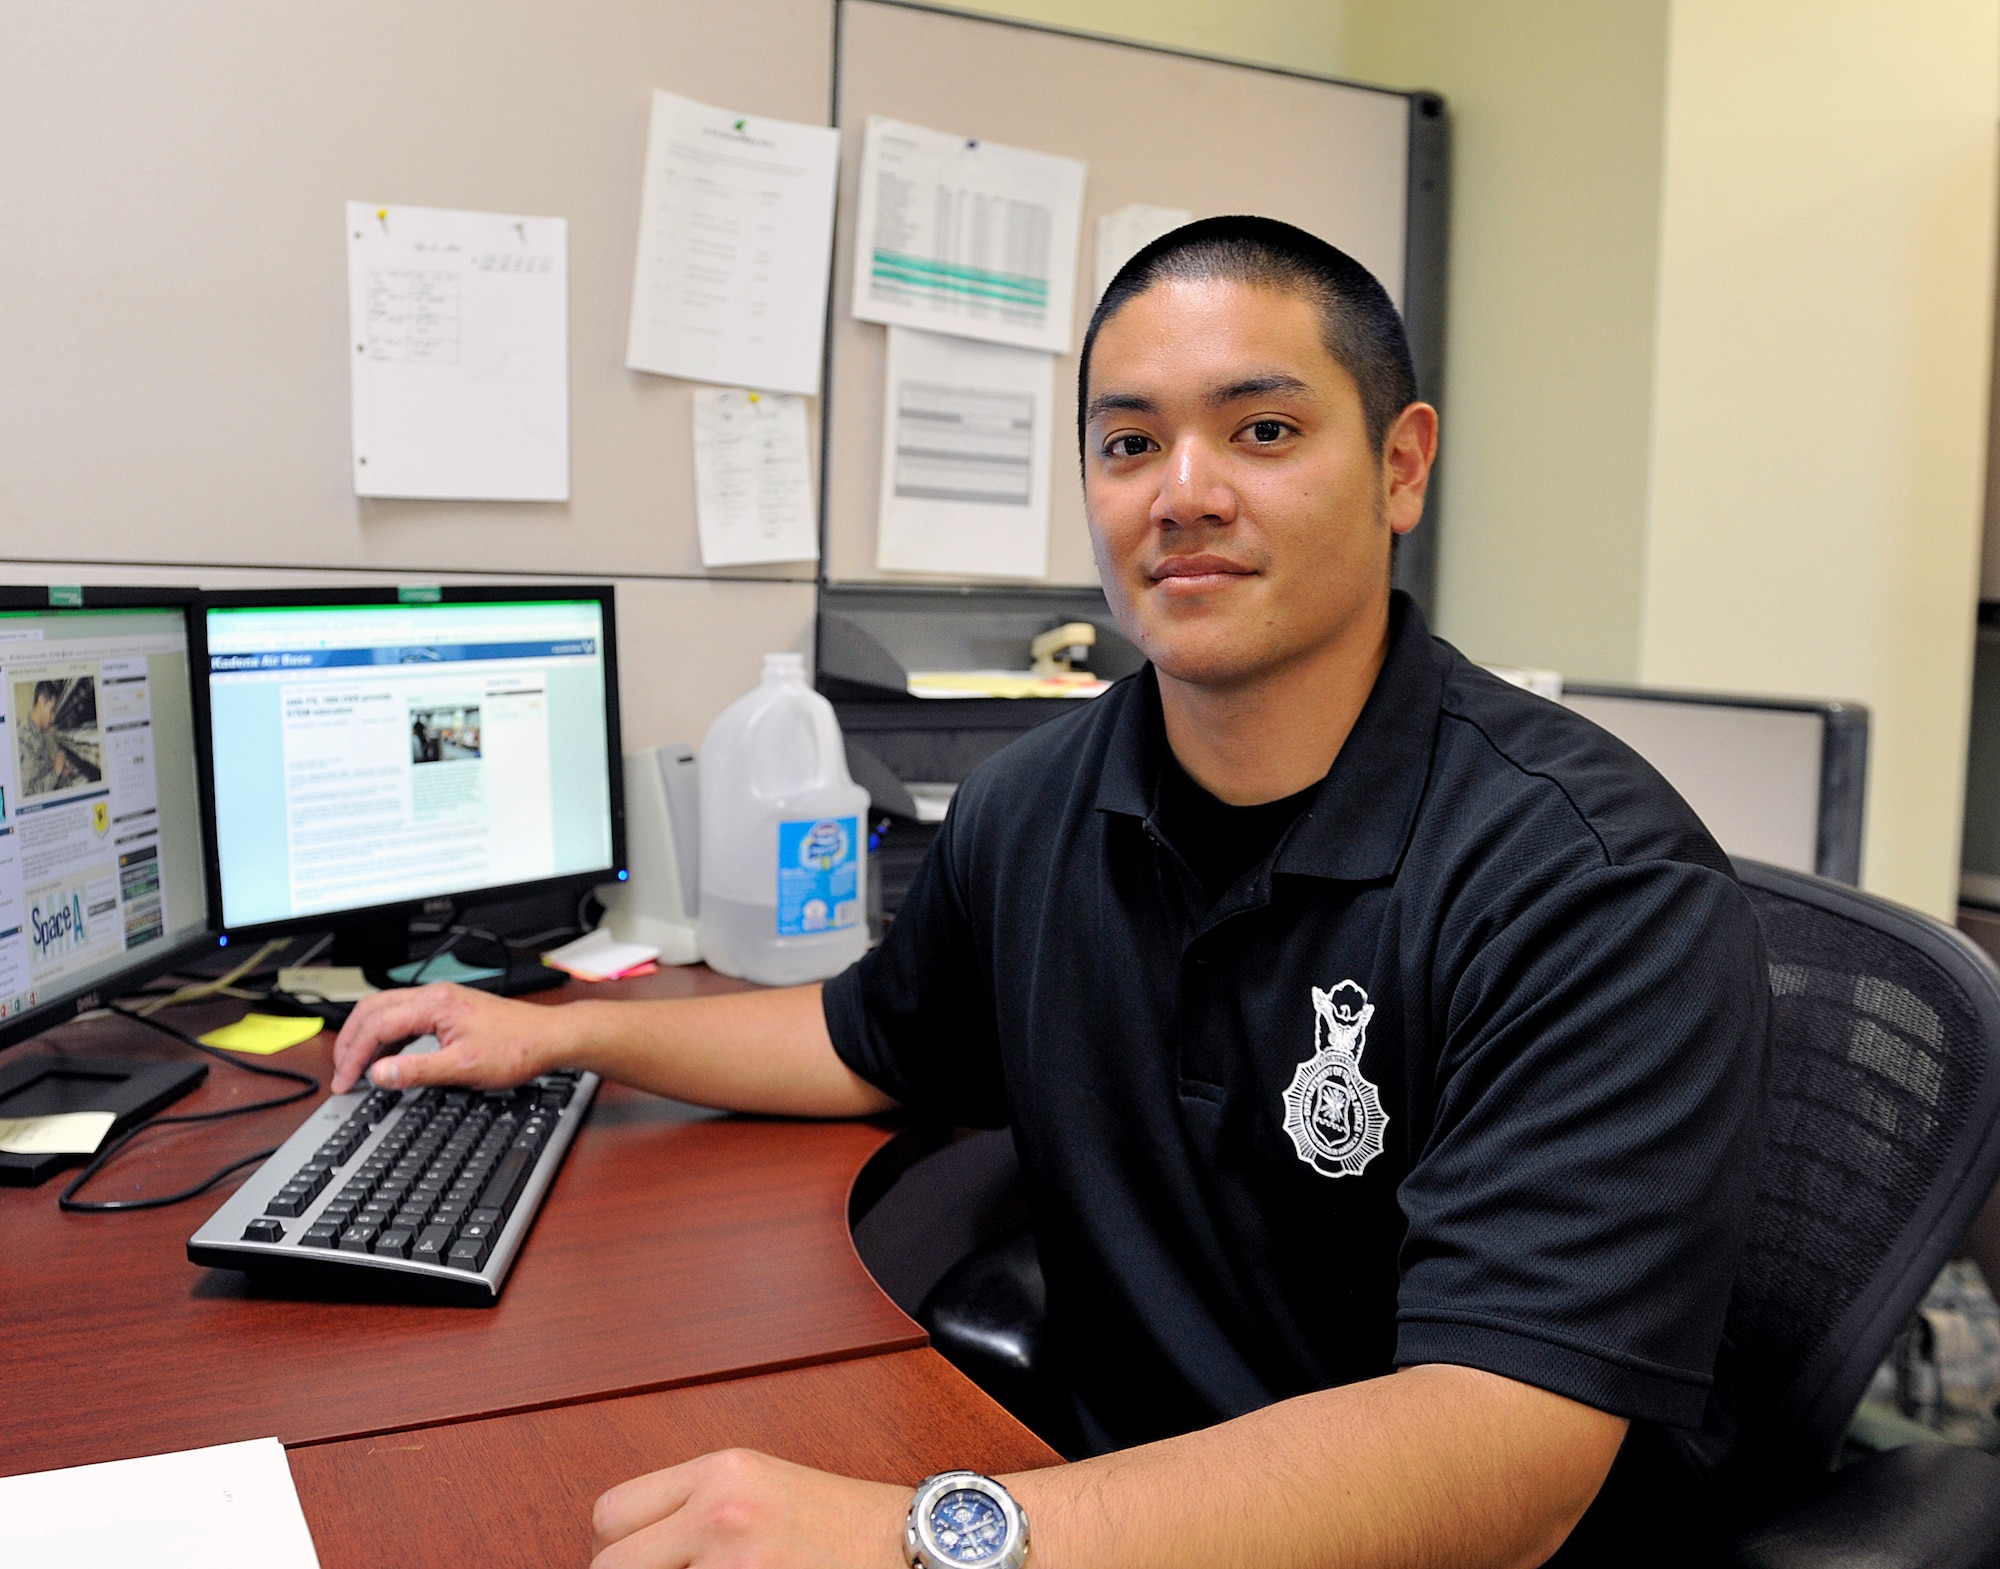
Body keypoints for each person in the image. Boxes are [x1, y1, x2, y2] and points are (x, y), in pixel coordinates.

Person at [333, 216, 1769, 1569]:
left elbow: (1498, 1465)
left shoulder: (1588, 884)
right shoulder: (1036, 803)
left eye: (1263, 431)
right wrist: (565, 1033)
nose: (1184, 492)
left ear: (1402, 467)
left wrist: (937, 1532)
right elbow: (863, 1039)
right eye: (1129, 441)